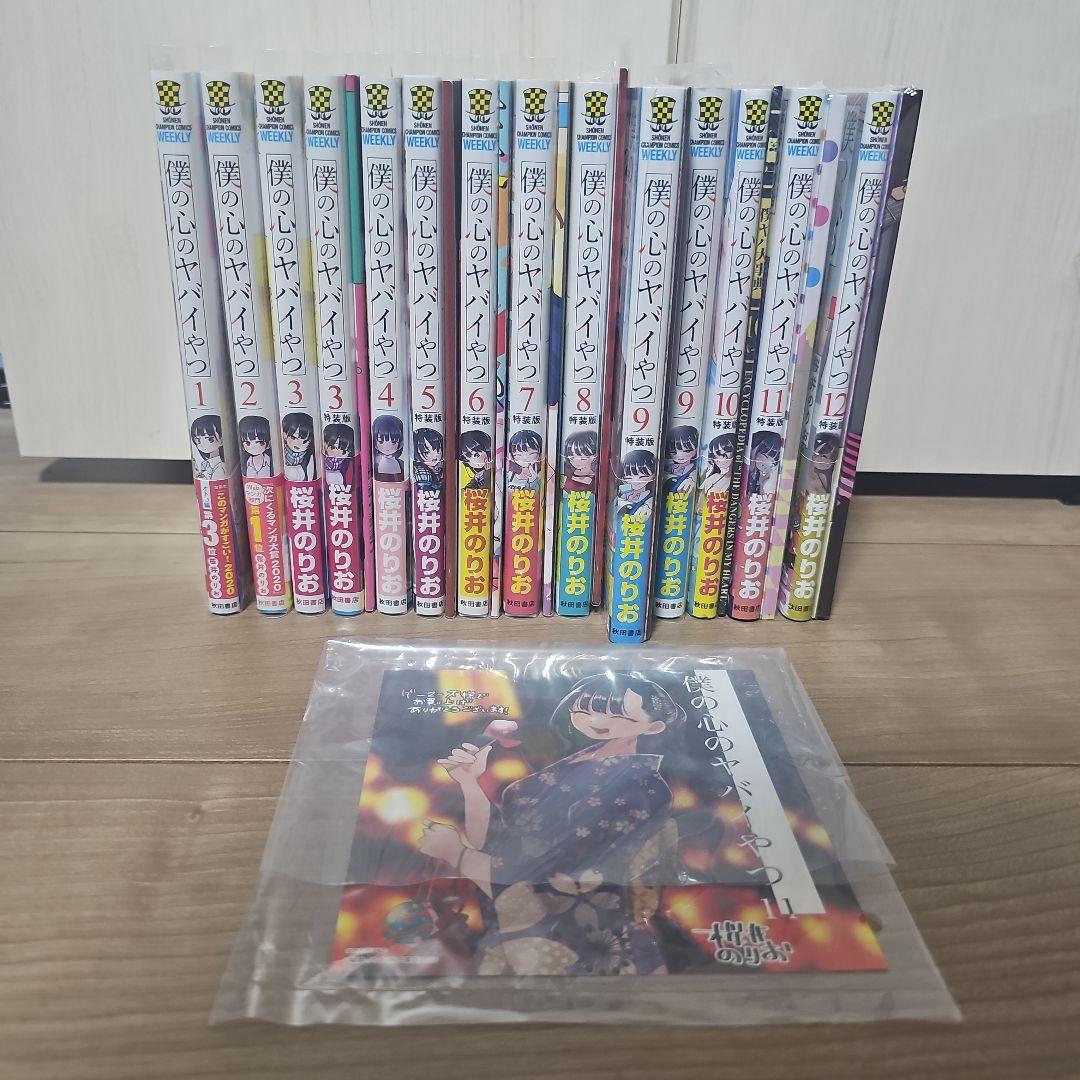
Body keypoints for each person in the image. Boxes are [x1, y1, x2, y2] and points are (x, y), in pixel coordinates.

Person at [418, 673, 685, 976]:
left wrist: (457, 854)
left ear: (653, 726)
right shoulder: (576, 762)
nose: (595, 719)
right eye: (584, 709)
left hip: (576, 944)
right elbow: (498, 845)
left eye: (617, 714)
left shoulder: (641, 789)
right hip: (522, 938)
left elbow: (543, 882)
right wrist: (470, 783)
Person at [615, 450, 656, 520]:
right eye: (629, 477)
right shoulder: (625, 488)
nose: (636, 481)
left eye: (643, 477)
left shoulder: (650, 495)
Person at [662, 425, 698, 496]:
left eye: (687, 451)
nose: (680, 456)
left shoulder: (695, 469)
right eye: (674, 452)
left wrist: (692, 478)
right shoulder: (667, 466)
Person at [281, 412, 316, 481]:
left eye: (305, 441)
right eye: (294, 438)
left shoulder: (309, 457)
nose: (299, 444)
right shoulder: (281, 453)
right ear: (285, 435)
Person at [190, 415, 225, 481]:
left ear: (222, 439)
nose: (203, 444)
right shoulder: (205, 464)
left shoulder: (221, 466)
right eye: (197, 440)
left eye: (210, 439)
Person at [747, 430, 782, 497]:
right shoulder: (747, 471)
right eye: (765, 456)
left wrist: (762, 484)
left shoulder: (769, 477)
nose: (768, 463)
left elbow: (765, 498)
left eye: (772, 461)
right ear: (756, 450)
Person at [373, 415, 404, 482]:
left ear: (401, 443)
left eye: (393, 441)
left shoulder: (402, 463)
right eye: (381, 441)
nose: (387, 446)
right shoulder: (375, 464)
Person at [323, 423, 354, 488]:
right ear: (325, 444)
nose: (339, 454)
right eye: (334, 448)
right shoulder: (322, 461)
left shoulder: (349, 464)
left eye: (344, 451)